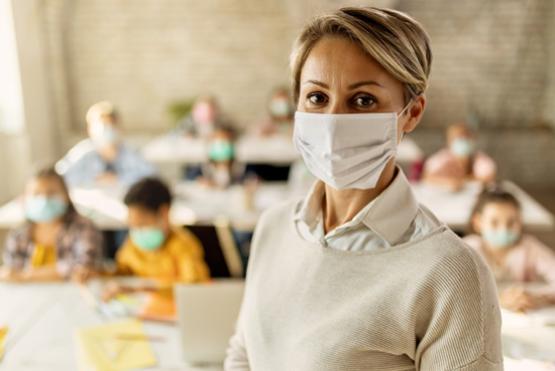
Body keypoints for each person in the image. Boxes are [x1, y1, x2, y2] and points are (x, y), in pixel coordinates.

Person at [225, 7, 502, 370]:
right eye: (317, 98)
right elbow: (244, 353)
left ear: (412, 113)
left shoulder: (450, 273)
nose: (334, 120)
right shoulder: (273, 227)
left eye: (363, 100)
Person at [102, 177, 209, 300]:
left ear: (164, 213)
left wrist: (143, 290)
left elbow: (193, 287)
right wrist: (97, 272)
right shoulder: (133, 242)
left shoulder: (183, 245)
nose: (138, 232)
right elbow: (123, 270)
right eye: (133, 226)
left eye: (142, 224)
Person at [0, 167, 102, 282]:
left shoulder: (83, 227)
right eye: (36, 193)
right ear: (24, 198)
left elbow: (83, 268)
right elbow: (11, 271)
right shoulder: (18, 234)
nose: (44, 199)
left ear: (66, 196)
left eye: (51, 193)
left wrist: (26, 276)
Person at [463, 187, 555, 312]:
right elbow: (455, 290)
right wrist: (498, 300)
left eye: (511, 222)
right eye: (494, 222)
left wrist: (537, 298)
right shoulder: (468, 249)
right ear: (478, 222)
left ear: (520, 221)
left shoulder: (530, 248)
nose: (504, 229)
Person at [56, 101, 156, 187]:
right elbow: (60, 176)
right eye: (102, 126)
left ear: (119, 128)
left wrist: (118, 179)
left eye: (111, 125)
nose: (107, 130)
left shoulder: (131, 152)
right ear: (90, 129)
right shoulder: (83, 152)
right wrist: (95, 179)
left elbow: (151, 176)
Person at [423, 123, 497, 191]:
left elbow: (488, 179)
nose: (462, 140)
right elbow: (426, 177)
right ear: (448, 141)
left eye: (465, 137)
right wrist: (449, 182)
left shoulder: (482, 160)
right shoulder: (440, 159)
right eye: (458, 137)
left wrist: (460, 181)